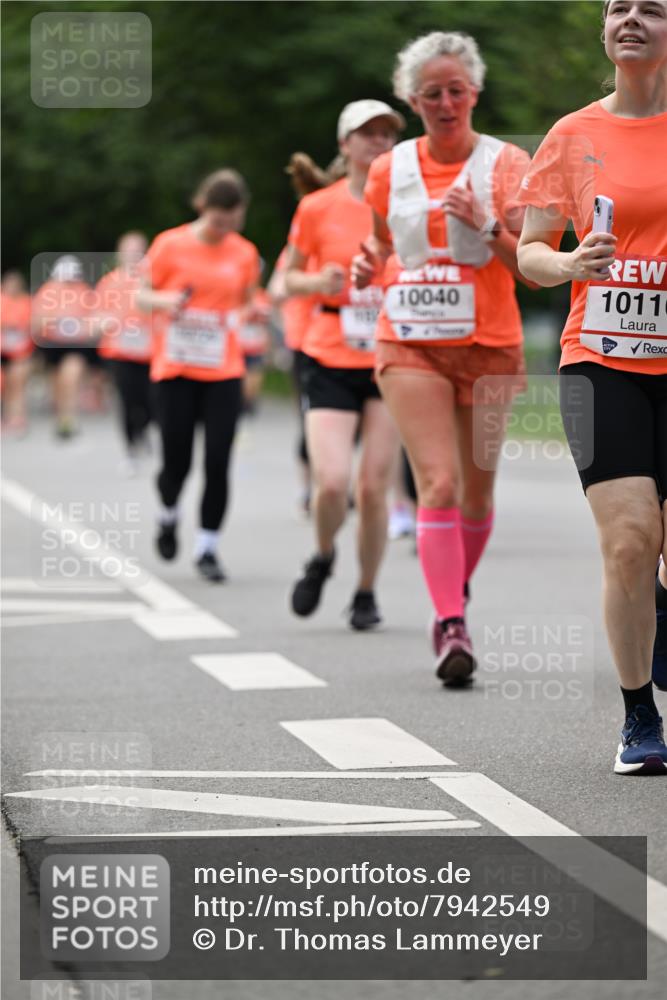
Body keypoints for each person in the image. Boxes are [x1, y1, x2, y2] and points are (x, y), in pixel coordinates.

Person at [517, 0, 667, 774]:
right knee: (629, 541)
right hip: (599, 358)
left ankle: (658, 615)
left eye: (650, 7)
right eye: (617, 7)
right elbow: (530, 250)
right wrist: (569, 264)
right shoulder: (572, 135)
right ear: (603, 30)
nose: (630, 18)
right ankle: (638, 714)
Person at [353, 32, 532, 681]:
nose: (445, 102)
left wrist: (486, 223)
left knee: (477, 500)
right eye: (432, 93)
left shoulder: (506, 163)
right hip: (411, 342)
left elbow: (534, 270)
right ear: (412, 98)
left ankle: (449, 592)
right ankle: (451, 624)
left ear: (475, 94)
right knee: (440, 483)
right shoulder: (388, 169)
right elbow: (379, 248)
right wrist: (365, 265)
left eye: (456, 90)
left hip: (488, 346)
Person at [285, 99, 405, 630]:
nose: (378, 141)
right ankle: (324, 553)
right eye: (367, 133)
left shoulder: (409, 205)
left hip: (391, 354)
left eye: (387, 133)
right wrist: (317, 283)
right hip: (329, 351)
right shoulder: (317, 207)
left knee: (373, 487)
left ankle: (365, 590)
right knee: (331, 483)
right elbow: (288, 278)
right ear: (345, 144)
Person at [136, 169, 260, 582]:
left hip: (223, 369)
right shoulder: (170, 244)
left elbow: (246, 301)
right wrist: (166, 299)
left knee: (219, 461)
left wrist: (251, 312)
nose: (221, 229)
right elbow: (139, 295)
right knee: (177, 461)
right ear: (202, 207)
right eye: (215, 220)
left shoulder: (243, 253)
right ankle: (169, 513)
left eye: (230, 222)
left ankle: (208, 547)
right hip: (176, 367)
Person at [96, 231, 153, 474]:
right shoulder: (109, 281)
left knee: (152, 402)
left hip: (151, 352)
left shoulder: (154, 280)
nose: (133, 254)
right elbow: (96, 315)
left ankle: (142, 430)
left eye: (138, 249)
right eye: (128, 249)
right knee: (128, 401)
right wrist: (107, 322)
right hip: (120, 351)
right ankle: (130, 449)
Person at [31, 255, 97, 439]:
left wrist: (82, 325)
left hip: (76, 344)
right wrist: (56, 319)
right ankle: (61, 417)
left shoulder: (84, 291)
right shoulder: (47, 291)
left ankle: (69, 418)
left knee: (71, 376)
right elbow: (36, 321)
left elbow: (93, 318)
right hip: (52, 344)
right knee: (59, 383)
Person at [1, 271, 33, 434]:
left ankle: (18, 416)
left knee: (17, 383)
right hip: (3, 350)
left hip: (20, 351)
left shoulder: (26, 302)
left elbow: (31, 325)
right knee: (3, 384)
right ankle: (6, 416)